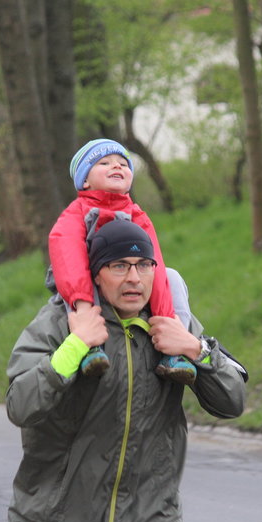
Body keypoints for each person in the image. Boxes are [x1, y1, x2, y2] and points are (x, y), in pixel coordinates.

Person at [6, 220, 247, 522]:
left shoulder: (172, 323)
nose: (134, 278)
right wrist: (75, 347)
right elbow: (19, 404)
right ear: (96, 275)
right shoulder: (60, 323)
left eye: (143, 265)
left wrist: (196, 350)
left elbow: (233, 401)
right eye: (119, 266)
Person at [48, 138, 196, 385]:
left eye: (123, 164)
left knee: (171, 276)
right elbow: (68, 257)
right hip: (83, 283)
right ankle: (91, 348)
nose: (116, 166)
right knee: (81, 281)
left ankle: (175, 344)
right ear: (84, 180)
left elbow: (153, 265)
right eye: (104, 162)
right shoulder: (76, 214)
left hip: (127, 281)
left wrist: (165, 315)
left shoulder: (137, 215)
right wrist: (84, 307)